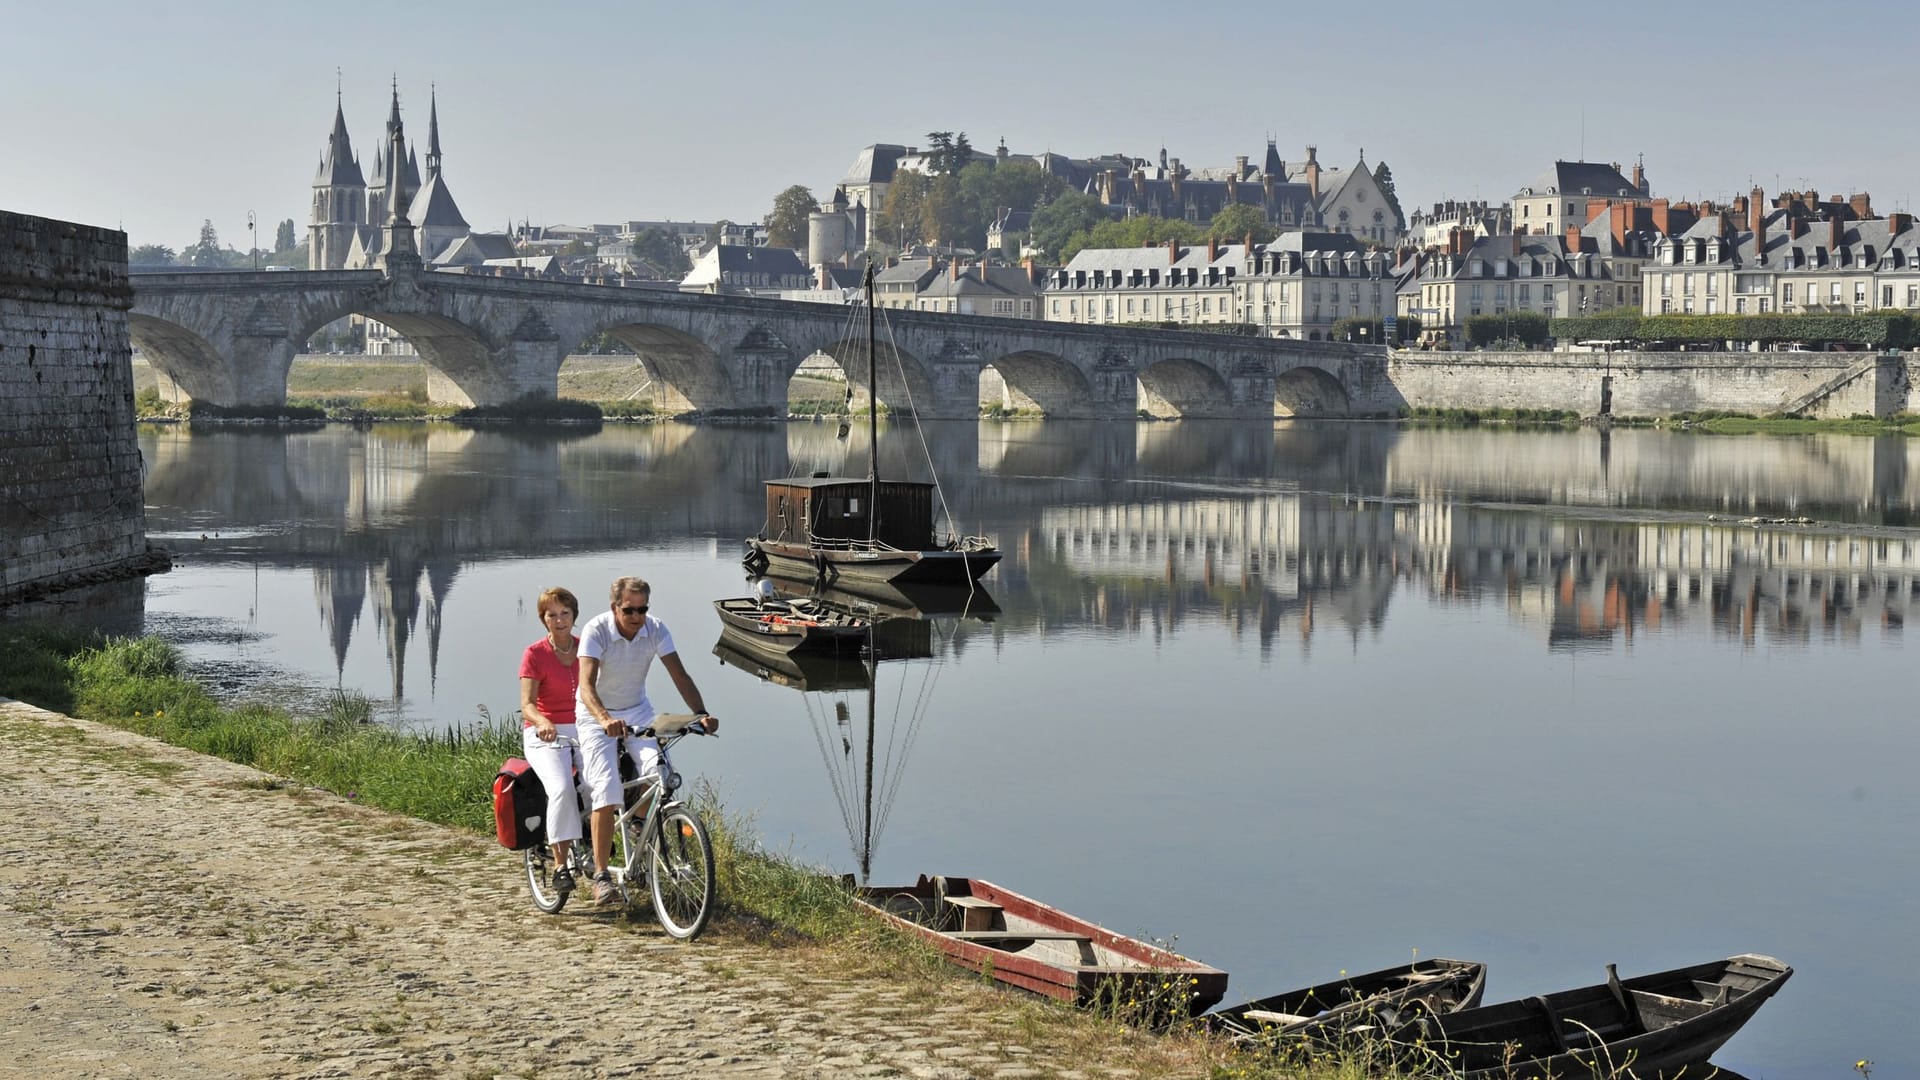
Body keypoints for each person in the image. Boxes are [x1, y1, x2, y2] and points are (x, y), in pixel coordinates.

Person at [576, 576, 719, 905]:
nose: (637, 617)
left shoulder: (655, 629)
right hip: (595, 714)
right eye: (629, 610)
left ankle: (638, 825)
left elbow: (679, 675)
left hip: (638, 711)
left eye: (643, 609)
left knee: (657, 771)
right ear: (615, 607)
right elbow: (586, 685)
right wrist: (604, 719)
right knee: (607, 789)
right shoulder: (596, 630)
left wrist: (701, 713)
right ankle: (600, 876)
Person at [518, 586, 585, 900]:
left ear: (574, 615)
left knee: (601, 784)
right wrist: (543, 722)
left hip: (583, 728)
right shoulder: (535, 654)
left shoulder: (586, 649)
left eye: (565, 614)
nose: (560, 620)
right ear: (543, 620)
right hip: (544, 731)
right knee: (560, 787)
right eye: (552, 615)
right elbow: (528, 704)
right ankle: (560, 865)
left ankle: (593, 850)